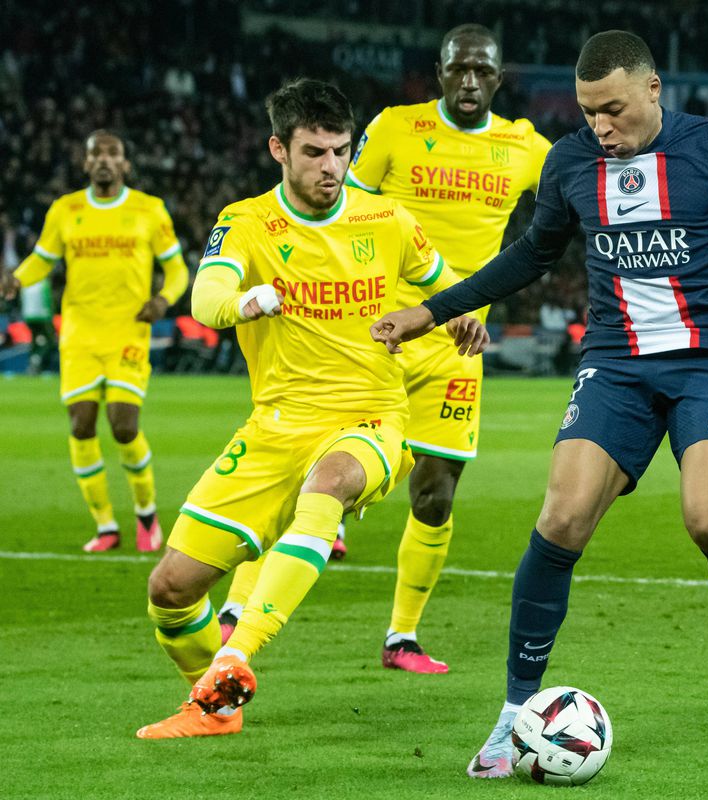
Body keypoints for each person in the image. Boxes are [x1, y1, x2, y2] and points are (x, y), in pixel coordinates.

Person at [369, 31, 708, 779]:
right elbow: (531, 256)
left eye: (614, 110)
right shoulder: (571, 162)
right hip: (616, 365)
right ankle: (513, 715)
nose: (601, 127)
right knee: (560, 517)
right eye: (589, 112)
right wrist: (429, 312)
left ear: (654, 89)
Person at [133, 78, 488, 740]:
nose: (332, 167)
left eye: (341, 151)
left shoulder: (386, 220)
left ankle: (241, 652)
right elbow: (205, 298)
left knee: (328, 483)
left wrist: (460, 318)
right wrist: (245, 302)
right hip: (273, 427)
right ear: (279, 149)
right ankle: (214, 705)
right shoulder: (245, 222)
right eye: (315, 152)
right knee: (171, 589)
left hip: (370, 419)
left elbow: (449, 288)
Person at [215, 24, 551, 675]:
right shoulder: (396, 128)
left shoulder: (524, 146)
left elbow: (569, 202)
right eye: (460, 69)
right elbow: (337, 203)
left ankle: (401, 638)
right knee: (306, 472)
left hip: (457, 344)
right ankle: (237, 605)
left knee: (435, 496)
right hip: (377, 333)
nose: (471, 81)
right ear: (441, 71)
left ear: (499, 78)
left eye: (484, 70)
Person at [0, 131, 189, 552]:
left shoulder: (148, 210)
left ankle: (146, 516)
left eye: (113, 153)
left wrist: (162, 300)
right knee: (81, 424)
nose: (104, 160)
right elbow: (42, 260)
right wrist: (16, 279)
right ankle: (105, 526)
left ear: (125, 163)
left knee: (124, 426)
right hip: (80, 334)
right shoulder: (65, 210)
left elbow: (177, 269)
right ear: (86, 164)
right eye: (96, 154)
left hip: (128, 331)